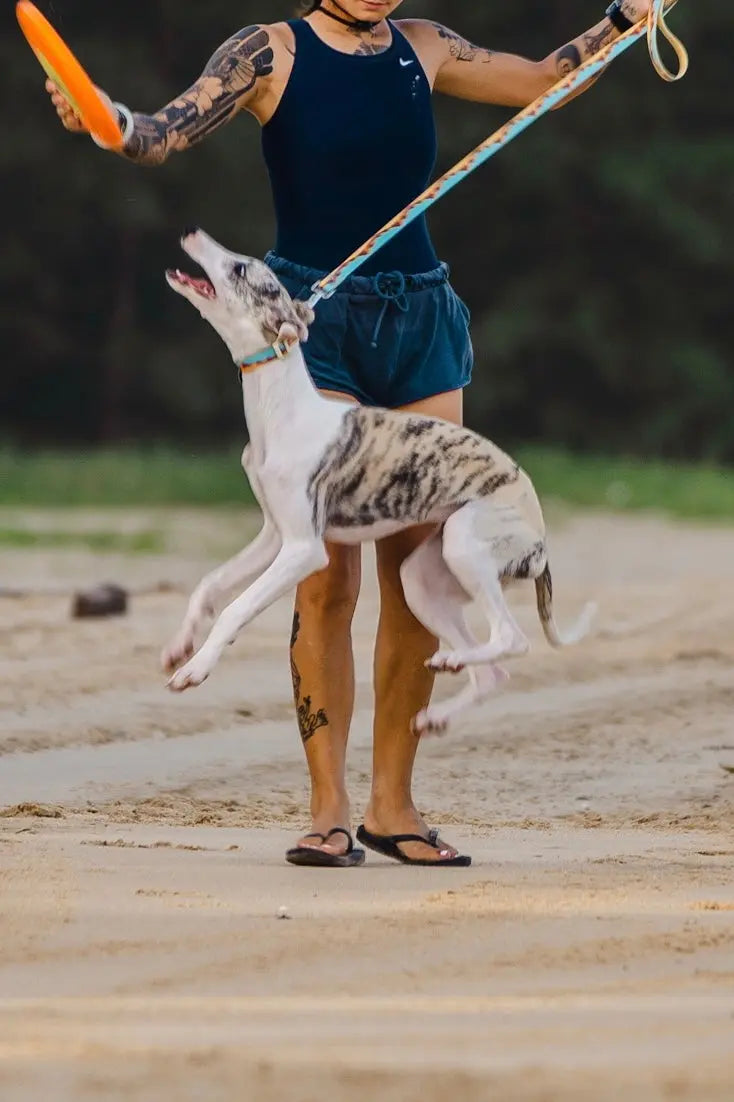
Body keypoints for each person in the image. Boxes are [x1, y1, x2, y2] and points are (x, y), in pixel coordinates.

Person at [49, 0, 651, 867]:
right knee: (325, 574)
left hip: (421, 323)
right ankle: (327, 807)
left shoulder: (425, 46)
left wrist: (624, 20)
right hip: (312, 321)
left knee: (422, 565)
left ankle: (393, 806)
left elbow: (548, 81)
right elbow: (160, 133)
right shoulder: (271, 53)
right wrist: (103, 117)